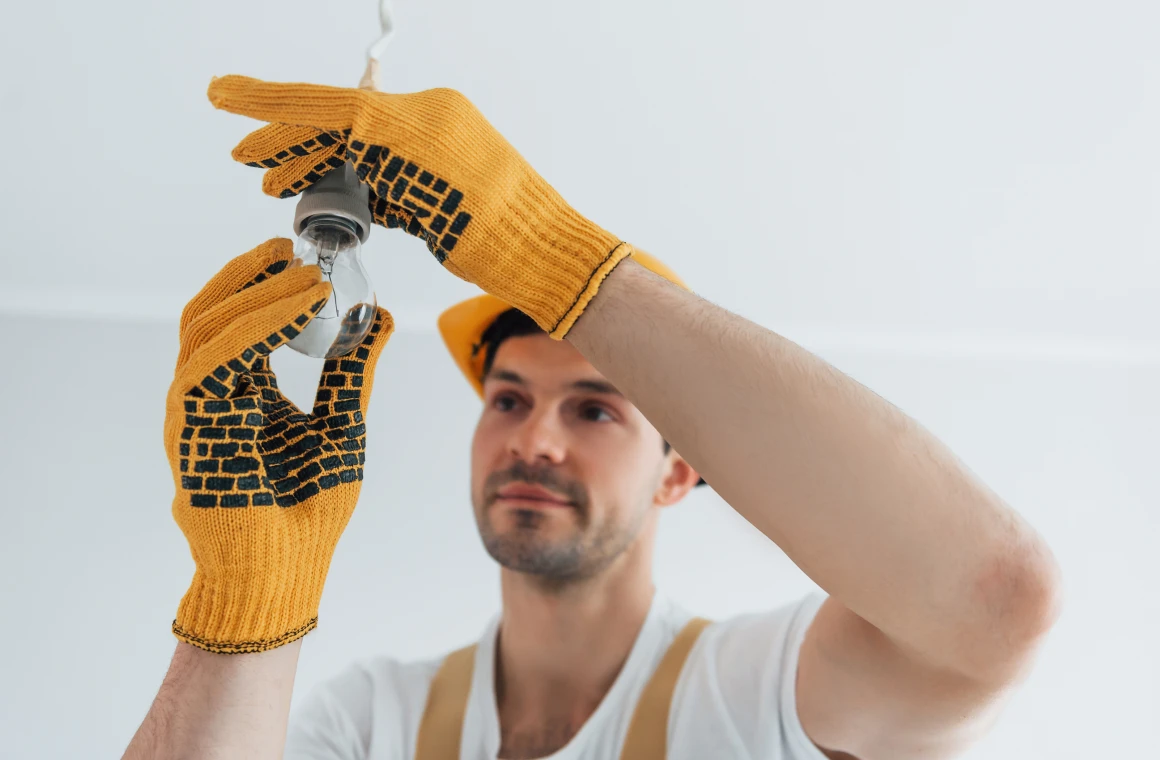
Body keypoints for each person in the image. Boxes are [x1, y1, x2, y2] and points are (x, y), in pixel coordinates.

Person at [123, 77, 1062, 760]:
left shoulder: (760, 693)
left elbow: (994, 600)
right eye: (509, 399)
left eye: (596, 409)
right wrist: (248, 602)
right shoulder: (374, 723)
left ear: (681, 469)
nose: (535, 437)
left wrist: (547, 253)